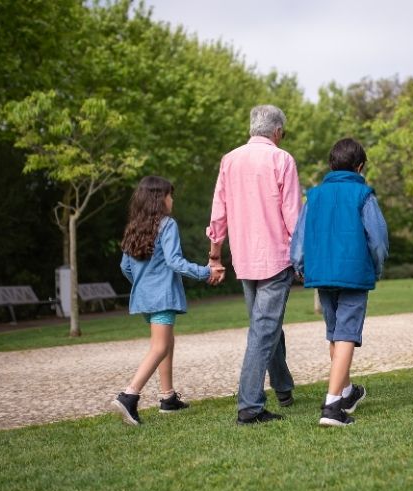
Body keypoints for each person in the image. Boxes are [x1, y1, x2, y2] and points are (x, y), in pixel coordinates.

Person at [206, 105, 302, 425]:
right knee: (263, 330)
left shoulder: (229, 160)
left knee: (265, 326)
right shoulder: (282, 159)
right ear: (277, 131)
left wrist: (215, 254)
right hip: (276, 257)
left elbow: (218, 212)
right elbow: (292, 214)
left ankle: (284, 388)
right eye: (283, 133)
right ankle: (249, 406)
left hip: (244, 258)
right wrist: (303, 254)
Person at [290, 138, 389, 427]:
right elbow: (378, 241)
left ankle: (345, 392)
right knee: (346, 334)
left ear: (332, 165)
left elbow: (300, 238)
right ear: (360, 167)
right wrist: (377, 268)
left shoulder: (315, 196)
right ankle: (332, 407)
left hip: (321, 272)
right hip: (353, 273)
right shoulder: (363, 195)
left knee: (335, 333)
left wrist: (300, 266)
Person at [112, 176, 223, 426]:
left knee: (167, 342)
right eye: (169, 195)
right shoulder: (167, 224)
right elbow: (174, 261)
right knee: (159, 347)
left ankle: (167, 397)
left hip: (143, 297)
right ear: (159, 198)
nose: (172, 200)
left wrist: (143, 285)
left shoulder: (134, 226)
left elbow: (125, 267)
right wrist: (206, 272)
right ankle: (129, 396)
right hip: (162, 297)